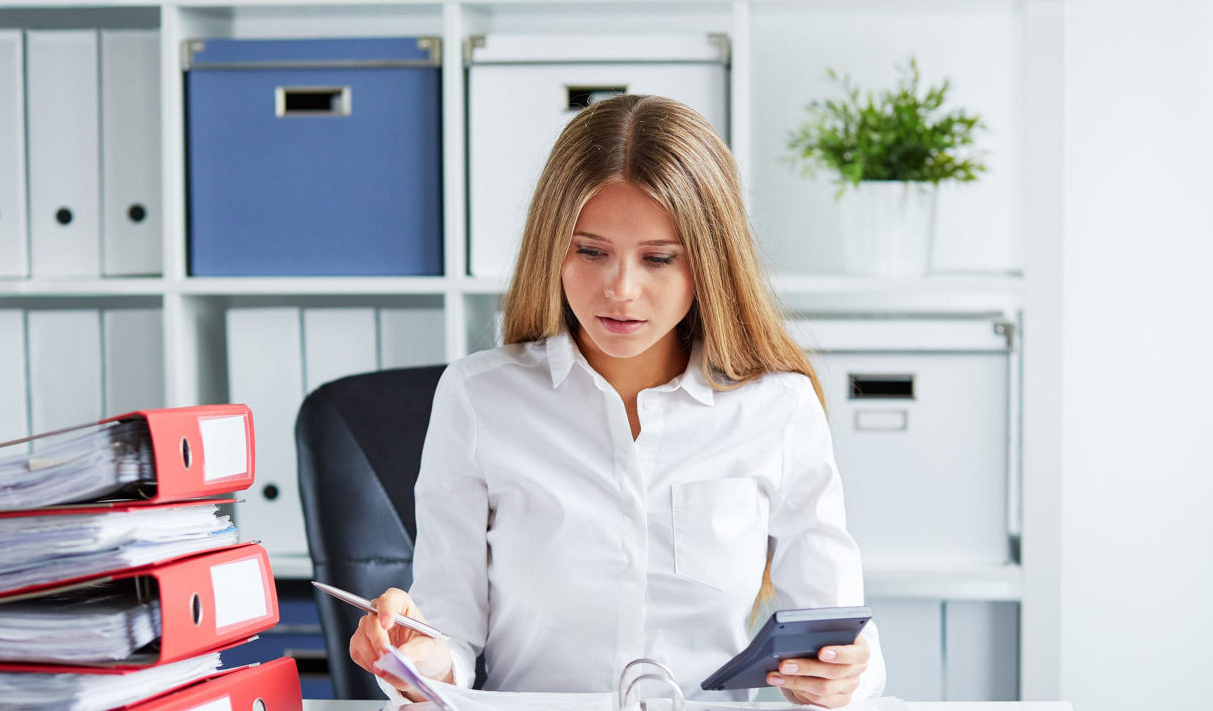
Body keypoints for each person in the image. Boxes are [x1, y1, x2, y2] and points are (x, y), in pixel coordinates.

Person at [348, 94, 885, 708]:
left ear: (710, 264)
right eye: (590, 251)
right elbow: (450, 636)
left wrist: (843, 677)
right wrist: (414, 659)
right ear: (553, 248)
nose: (621, 290)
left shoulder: (777, 409)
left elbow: (839, 632)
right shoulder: (477, 399)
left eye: (658, 258)